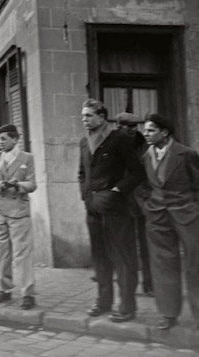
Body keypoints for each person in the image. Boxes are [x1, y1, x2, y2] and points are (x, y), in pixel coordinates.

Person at [78, 99, 145, 323]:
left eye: (88, 115)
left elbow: (137, 172)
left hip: (117, 208)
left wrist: (116, 191)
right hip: (93, 209)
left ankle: (127, 306)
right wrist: (86, 197)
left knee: (123, 257)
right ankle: (103, 302)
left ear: (102, 116)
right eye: (83, 116)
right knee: (100, 258)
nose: (84, 120)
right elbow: (81, 174)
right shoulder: (83, 142)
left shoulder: (119, 139)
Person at [141, 114, 199, 330]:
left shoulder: (186, 154)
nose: (145, 134)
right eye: (145, 130)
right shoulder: (146, 156)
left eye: (150, 130)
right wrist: (147, 206)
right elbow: (144, 186)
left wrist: (194, 208)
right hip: (157, 216)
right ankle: (168, 313)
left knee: (195, 263)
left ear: (164, 132)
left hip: (187, 215)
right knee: (163, 264)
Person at [0, 124, 37, 310]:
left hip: (19, 211)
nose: (0, 143)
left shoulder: (27, 158)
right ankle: (4, 289)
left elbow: (32, 184)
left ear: (15, 139)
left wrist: (18, 186)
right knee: (1, 253)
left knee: (22, 253)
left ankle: (28, 293)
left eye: (4, 139)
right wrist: (1, 185)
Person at [116, 112, 153, 296]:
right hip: (121, 204)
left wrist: (147, 194)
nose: (132, 130)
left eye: (134, 126)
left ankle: (150, 284)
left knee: (147, 245)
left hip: (142, 202)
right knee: (125, 246)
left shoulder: (143, 145)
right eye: (128, 126)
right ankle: (128, 285)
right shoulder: (113, 144)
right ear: (119, 126)